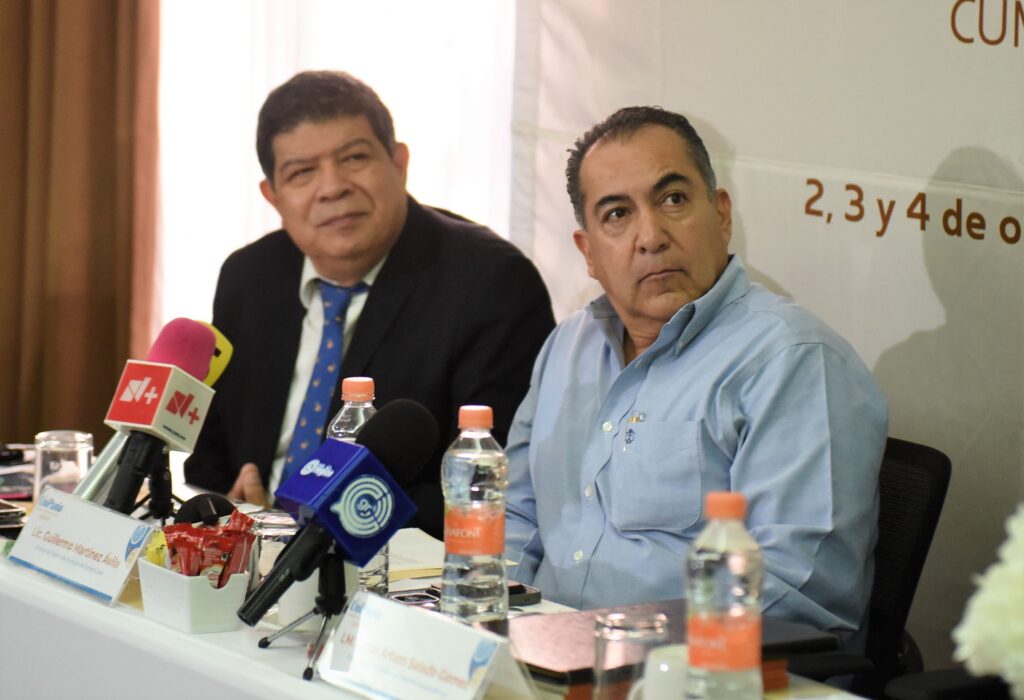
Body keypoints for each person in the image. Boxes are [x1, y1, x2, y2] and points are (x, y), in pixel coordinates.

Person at [503, 106, 888, 645]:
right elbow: (514, 519)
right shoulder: (569, 346)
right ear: (588, 253)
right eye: (617, 214)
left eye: (673, 200)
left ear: (722, 215)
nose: (651, 236)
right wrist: (486, 623)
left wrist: (615, 653)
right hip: (542, 653)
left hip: (689, 668)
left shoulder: (792, 360)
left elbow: (793, 595)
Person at [184, 71, 554, 537]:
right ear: (272, 196)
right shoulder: (250, 277)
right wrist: (236, 517)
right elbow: (211, 456)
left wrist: (306, 526)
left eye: (354, 158)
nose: (332, 187)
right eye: (302, 172)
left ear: (399, 163)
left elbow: (490, 487)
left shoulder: (492, 284)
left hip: (400, 564)